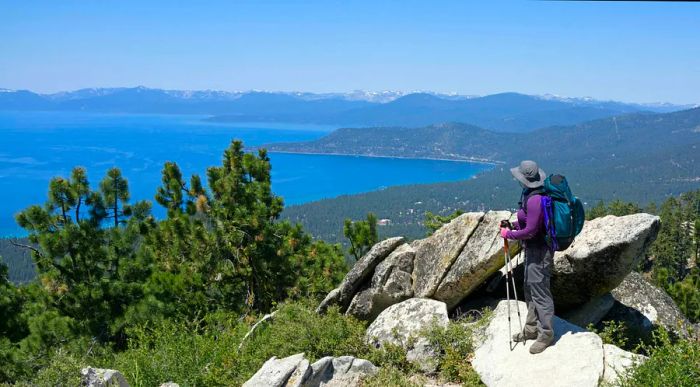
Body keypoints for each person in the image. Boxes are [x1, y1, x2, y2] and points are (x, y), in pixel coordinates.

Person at [499, 160, 555, 354]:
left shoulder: (535, 199)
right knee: (530, 289)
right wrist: (513, 224)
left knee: (540, 291)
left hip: (540, 251)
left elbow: (531, 230)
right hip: (533, 249)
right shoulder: (531, 195)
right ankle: (531, 329)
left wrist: (509, 235)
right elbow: (529, 221)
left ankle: (545, 334)